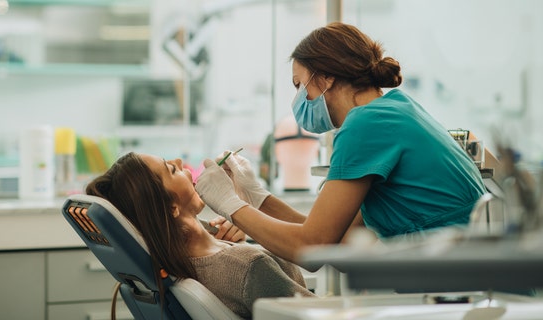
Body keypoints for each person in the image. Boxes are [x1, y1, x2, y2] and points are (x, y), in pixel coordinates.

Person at [194, 22, 487, 263]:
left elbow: (312, 246)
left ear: (326, 77)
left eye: (299, 85)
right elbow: (339, 240)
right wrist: (257, 197)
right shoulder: (395, 109)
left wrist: (229, 204)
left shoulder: (367, 124)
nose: (298, 100)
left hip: (461, 286)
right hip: (474, 279)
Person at [85, 152, 315, 319]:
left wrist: (244, 221)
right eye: (171, 169)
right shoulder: (248, 266)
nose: (178, 162)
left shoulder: (180, 262)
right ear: (171, 208)